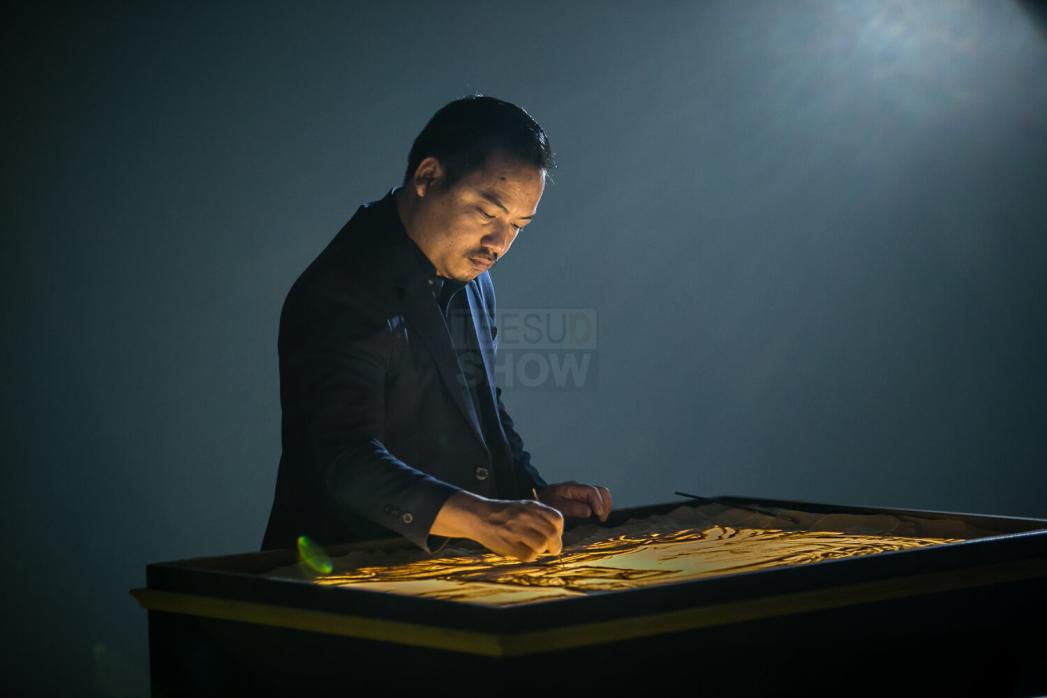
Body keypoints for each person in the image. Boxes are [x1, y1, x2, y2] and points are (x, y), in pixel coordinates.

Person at [262, 94, 613, 562]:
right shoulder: (341, 287)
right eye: (487, 213)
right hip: (336, 572)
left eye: (518, 226)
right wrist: (483, 518)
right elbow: (345, 460)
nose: (499, 244)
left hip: (444, 568)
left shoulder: (473, 277)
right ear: (427, 177)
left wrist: (531, 495)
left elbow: (481, 408)